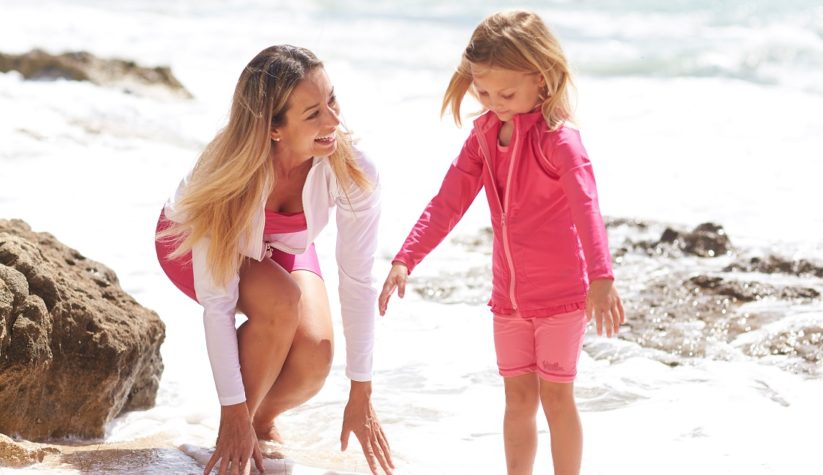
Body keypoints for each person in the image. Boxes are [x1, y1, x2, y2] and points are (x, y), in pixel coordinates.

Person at [378, 10, 625, 475]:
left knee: (557, 397)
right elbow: (448, 201)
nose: (495, 104)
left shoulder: (560, 141)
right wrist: (406, 257)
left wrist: (601, 277)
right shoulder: (485, 136)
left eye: (506, 94)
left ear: (541, 78)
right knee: (517, 400)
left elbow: (586, 208)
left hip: (560, 297)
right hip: (508, 299)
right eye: (484, 92)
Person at [155, 45, 393, 475]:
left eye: (332, 101)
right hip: (191, 245)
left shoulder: (354, 168)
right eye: (313, 114)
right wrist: (232, 411)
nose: (333, 121)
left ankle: (260, 424)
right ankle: (233, 434)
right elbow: (218, 305)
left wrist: (361, 392)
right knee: (281, 302)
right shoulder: (226, 178)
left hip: (281, 244)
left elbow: (357, 279)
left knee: (316, 354)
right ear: (273, 129)